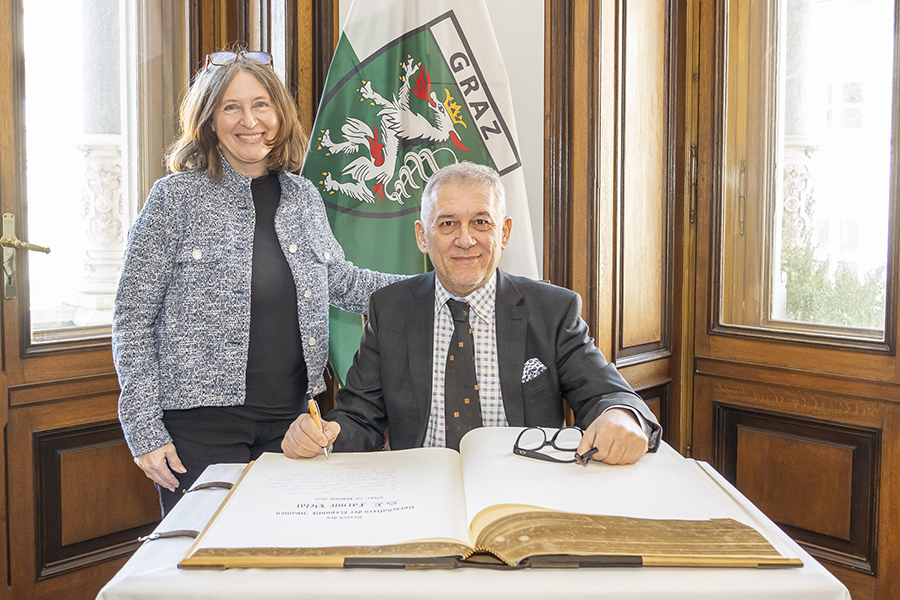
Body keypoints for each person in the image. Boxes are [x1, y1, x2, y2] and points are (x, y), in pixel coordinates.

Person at [113, 50, 403, 515]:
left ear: (279, 114)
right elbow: (132, 318)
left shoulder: (303, 196)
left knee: (283, 556)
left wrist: (438, 286)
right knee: (209, 568)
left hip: (290, 422)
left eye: (261, 104)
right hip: (198, 427)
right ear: (209, 120)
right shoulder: (175, 198)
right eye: (231, 107)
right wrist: (144, 427)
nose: (250, 120)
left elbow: (342, 282)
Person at [282, 161, 661, 463]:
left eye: (481, 222)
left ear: (505, 232)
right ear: (422, 236)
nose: (466, 239)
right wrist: (324, 434)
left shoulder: (552, 310)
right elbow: (359, 416)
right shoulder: (391, 309)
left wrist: (621, 417)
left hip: (526, 487)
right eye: (448, 224)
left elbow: (610, 395)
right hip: (418, 489)